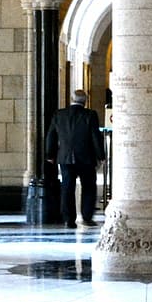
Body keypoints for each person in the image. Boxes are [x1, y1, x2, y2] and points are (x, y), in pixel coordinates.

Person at [45, 89, 105, 228]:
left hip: (65, 157)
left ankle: (69, 219)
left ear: (71, 99)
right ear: (85, 101)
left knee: (67, 188)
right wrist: (100, 155)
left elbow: (51, 136)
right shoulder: (90, 115)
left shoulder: (59, 114)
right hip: (86, 157)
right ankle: (86, 217)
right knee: (89, 187)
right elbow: (95, 137)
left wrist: (50, 155)